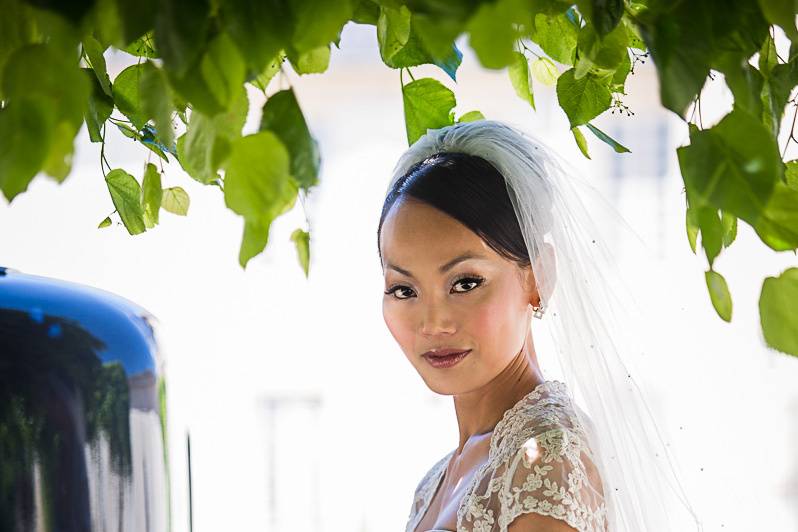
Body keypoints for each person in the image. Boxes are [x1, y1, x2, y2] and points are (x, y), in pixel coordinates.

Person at [376, 120, 703, 532]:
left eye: (465, 283)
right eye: (404, 289)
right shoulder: (436, 481)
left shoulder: (546, 458)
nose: (433, 323)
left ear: (538, 277)